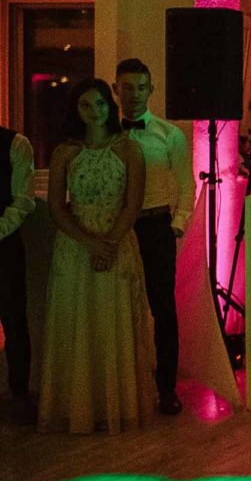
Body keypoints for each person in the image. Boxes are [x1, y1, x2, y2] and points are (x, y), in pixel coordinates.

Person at [37, 79, 153, 434]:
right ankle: (78, 409)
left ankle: (115, 407)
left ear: (110, 106)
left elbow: (133, 204)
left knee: (111, 322)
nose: (94, 112)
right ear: (76, 110)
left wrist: (110, 243)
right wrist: (89, 243)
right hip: (75, 246)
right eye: (86, 105)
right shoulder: (65, 152)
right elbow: (57, 207)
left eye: (100, 104)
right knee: (77, 323)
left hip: (117, 242)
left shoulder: (129, 149)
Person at [113, 58, 195, 416]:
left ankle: (166, 389)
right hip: (116, 228)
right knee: (115, 307)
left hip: (156, 227)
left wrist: (176, 226)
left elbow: (186, 185)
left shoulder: (169, 135)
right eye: (126, 87)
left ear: (151, 90)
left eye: (140, 87)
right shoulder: (104, 134)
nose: (133, 94)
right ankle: (120, 387)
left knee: (163, 310)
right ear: (115, 90)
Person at [0, 123, 36, 425]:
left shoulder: (16, 144)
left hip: (4, 248)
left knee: (14, 321)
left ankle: (20, 393)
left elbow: (23, 201)